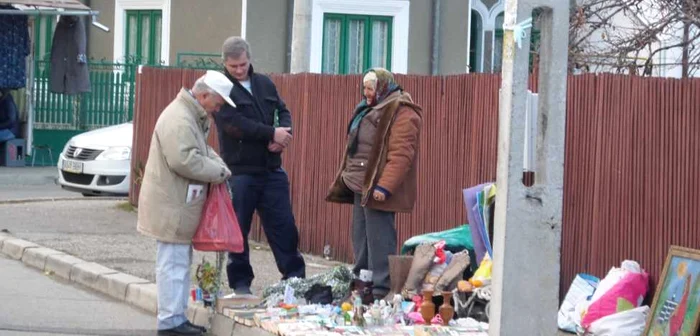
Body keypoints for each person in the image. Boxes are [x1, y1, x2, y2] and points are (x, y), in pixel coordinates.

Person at [137, 70, 234, 336]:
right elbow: (185, 160)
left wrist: (219, 166)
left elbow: (200, 150)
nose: (219, 108)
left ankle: (176, 318)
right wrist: (219, 172)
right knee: (172, 265)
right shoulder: (181, 118)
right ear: (203, 95)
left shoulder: (188, 114)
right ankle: (170, 322)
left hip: (175, 204)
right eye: (218, 102)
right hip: (172, 206)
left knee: (178, 264)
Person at [214, 36, 305, 296]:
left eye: (243, 65)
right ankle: (241, 284)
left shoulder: (264, 83)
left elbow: (283, 110)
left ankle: (294, 279)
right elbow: (233, 125)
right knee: (238, 230)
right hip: (241, 173)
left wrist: (284, 134)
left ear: (249, 59)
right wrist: (270, 134)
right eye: (234, 67)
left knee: (284, 226)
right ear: (225, 64)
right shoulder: (222, 89)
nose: (239, 70)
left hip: (272, 170)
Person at [326, 68, 422, 300]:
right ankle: (363, 284)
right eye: (365, 88)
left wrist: (384, 187)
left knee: (379, 237)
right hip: (362, 184)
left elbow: (401, 155)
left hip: (378, 188)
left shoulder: (403, 113)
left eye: (370, 88)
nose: (366, 93)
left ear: (383, 87)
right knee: (361, 235)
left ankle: (381, 287)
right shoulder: (369, 108)